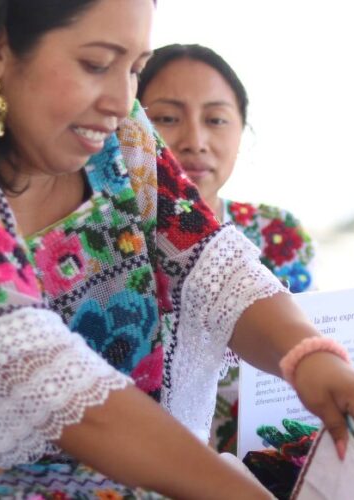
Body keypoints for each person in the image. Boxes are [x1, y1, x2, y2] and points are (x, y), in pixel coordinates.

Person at [0, 0, 354, 498]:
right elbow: (58, 387)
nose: (122, 99)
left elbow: (213, 261)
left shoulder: (120, 142)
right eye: (97, 64)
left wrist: (308, 356)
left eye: (136, 67)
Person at [137, 44, 317, 453]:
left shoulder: (280, 235)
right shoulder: (107, 243)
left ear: (242, 132)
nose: (195, 141)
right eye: (166, 118)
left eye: (216, 119)